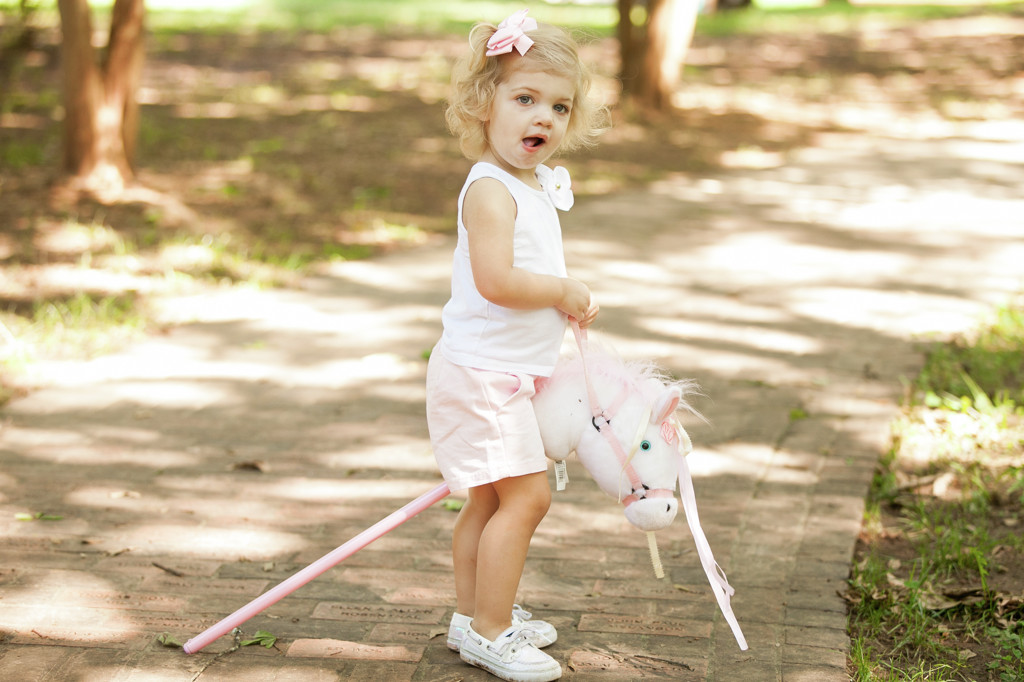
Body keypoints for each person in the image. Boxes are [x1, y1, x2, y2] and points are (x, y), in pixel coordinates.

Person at [425, 8, 606, 682]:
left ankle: (474, 616)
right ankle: (491, 631)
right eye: (525, 98)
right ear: (484, 103)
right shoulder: (490, 190)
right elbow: (496, 281)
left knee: (488, 501)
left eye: (559, 107)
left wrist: (562, 301)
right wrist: (562, 290)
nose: (543, 118)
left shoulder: (528, 184)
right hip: (482, 375)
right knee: (527, 499)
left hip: (499, 372)